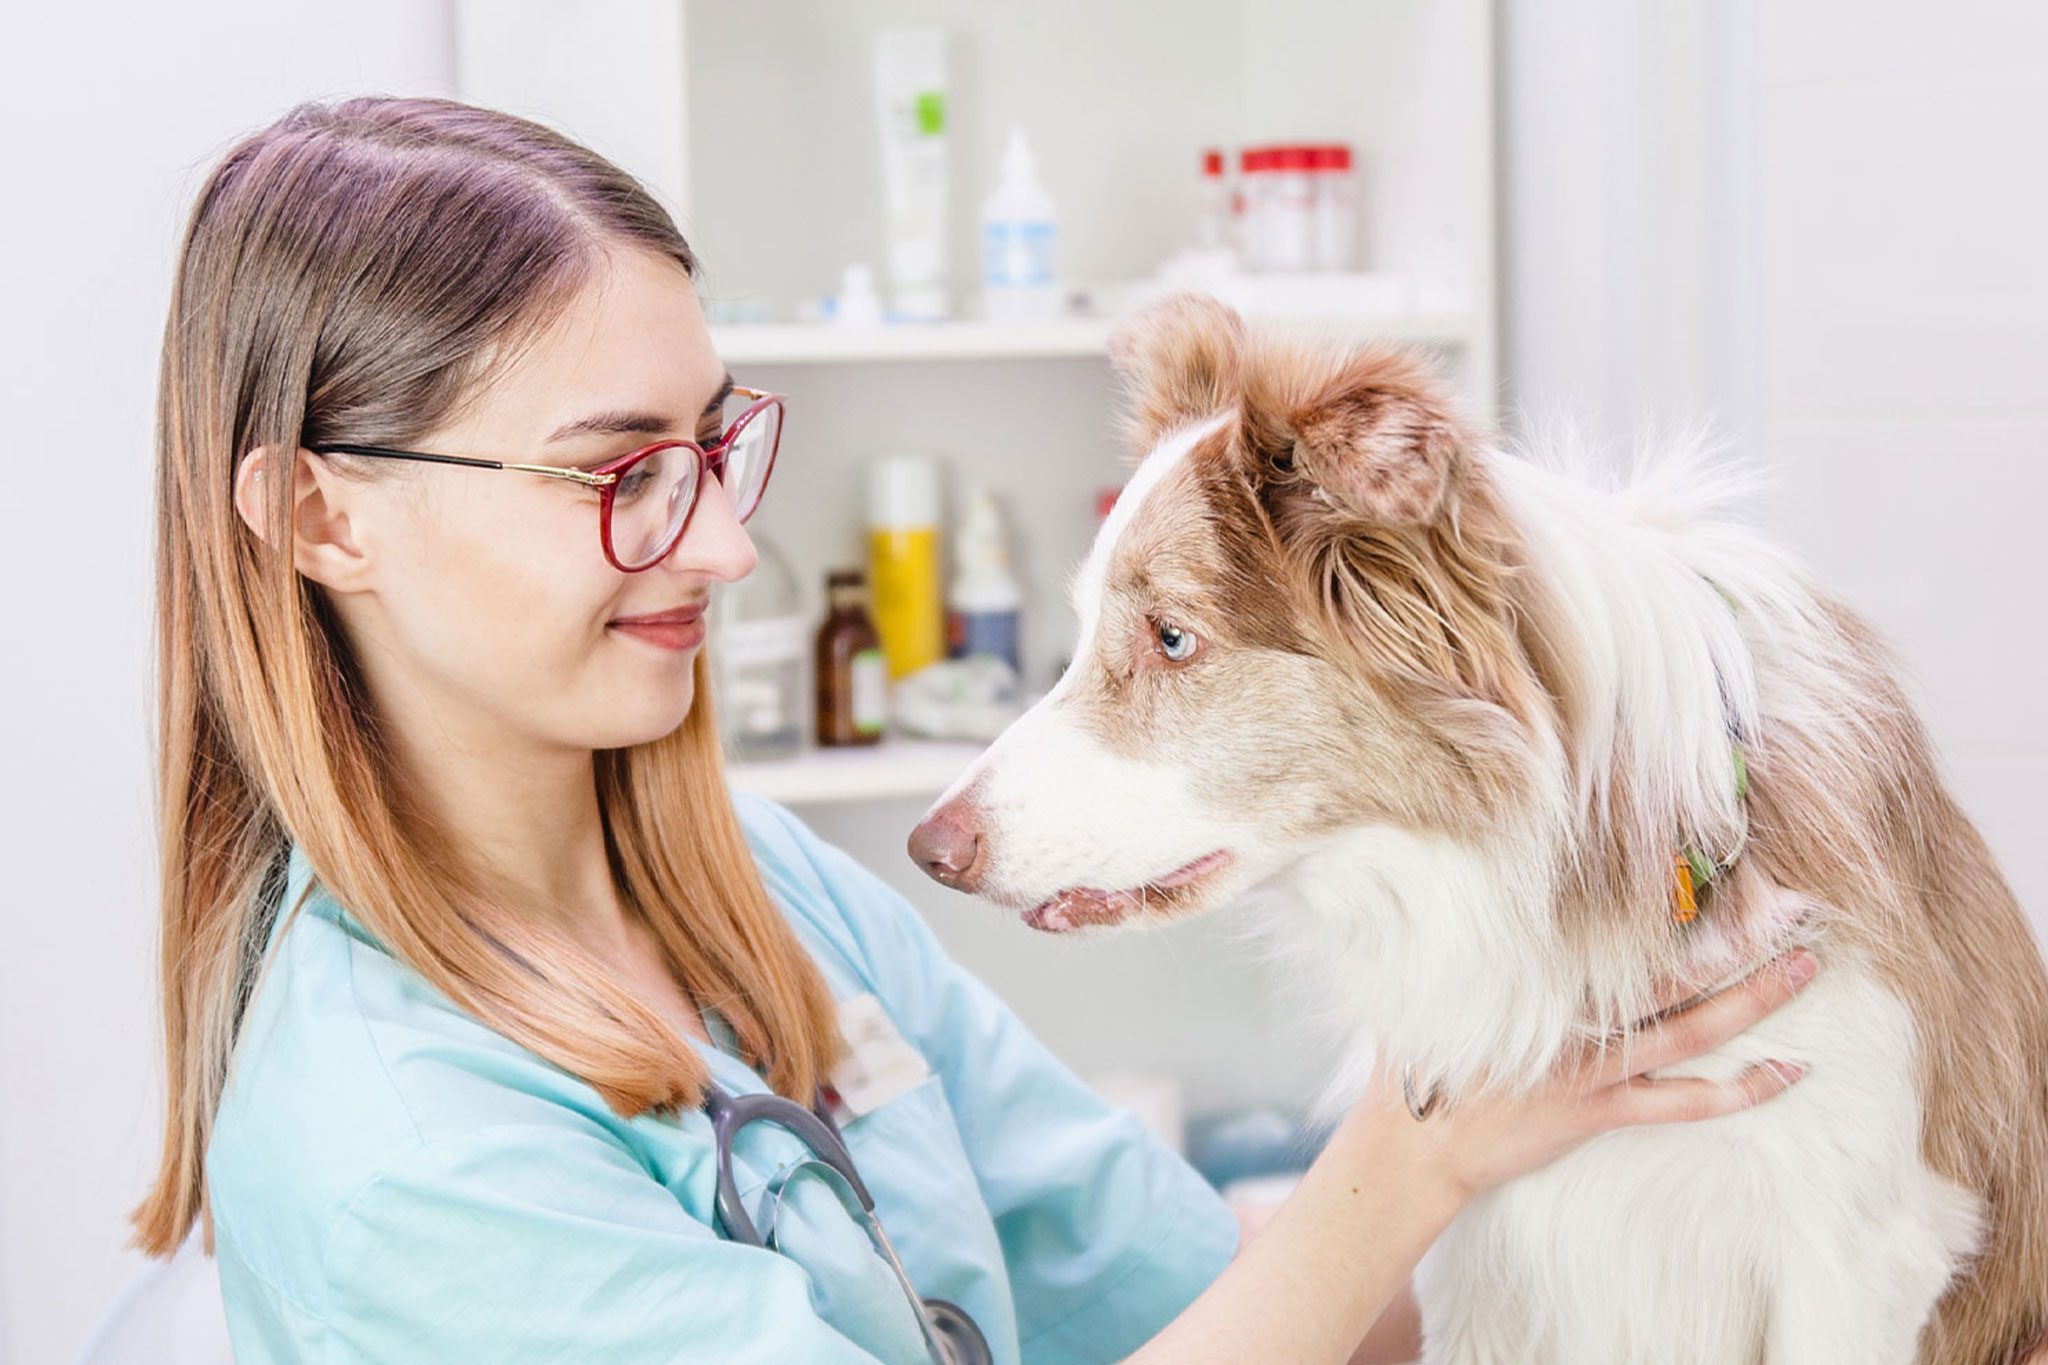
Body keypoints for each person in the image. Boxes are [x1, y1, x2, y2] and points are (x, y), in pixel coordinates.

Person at [130, 96, 1815, 1365]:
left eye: (717, 447)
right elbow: (1342, 1243)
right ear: (317, 516)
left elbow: (1185, 1275)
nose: (722, 541)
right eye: (618, 470)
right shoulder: (401, 1158)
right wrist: (1416, 1153)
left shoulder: (752, 886)